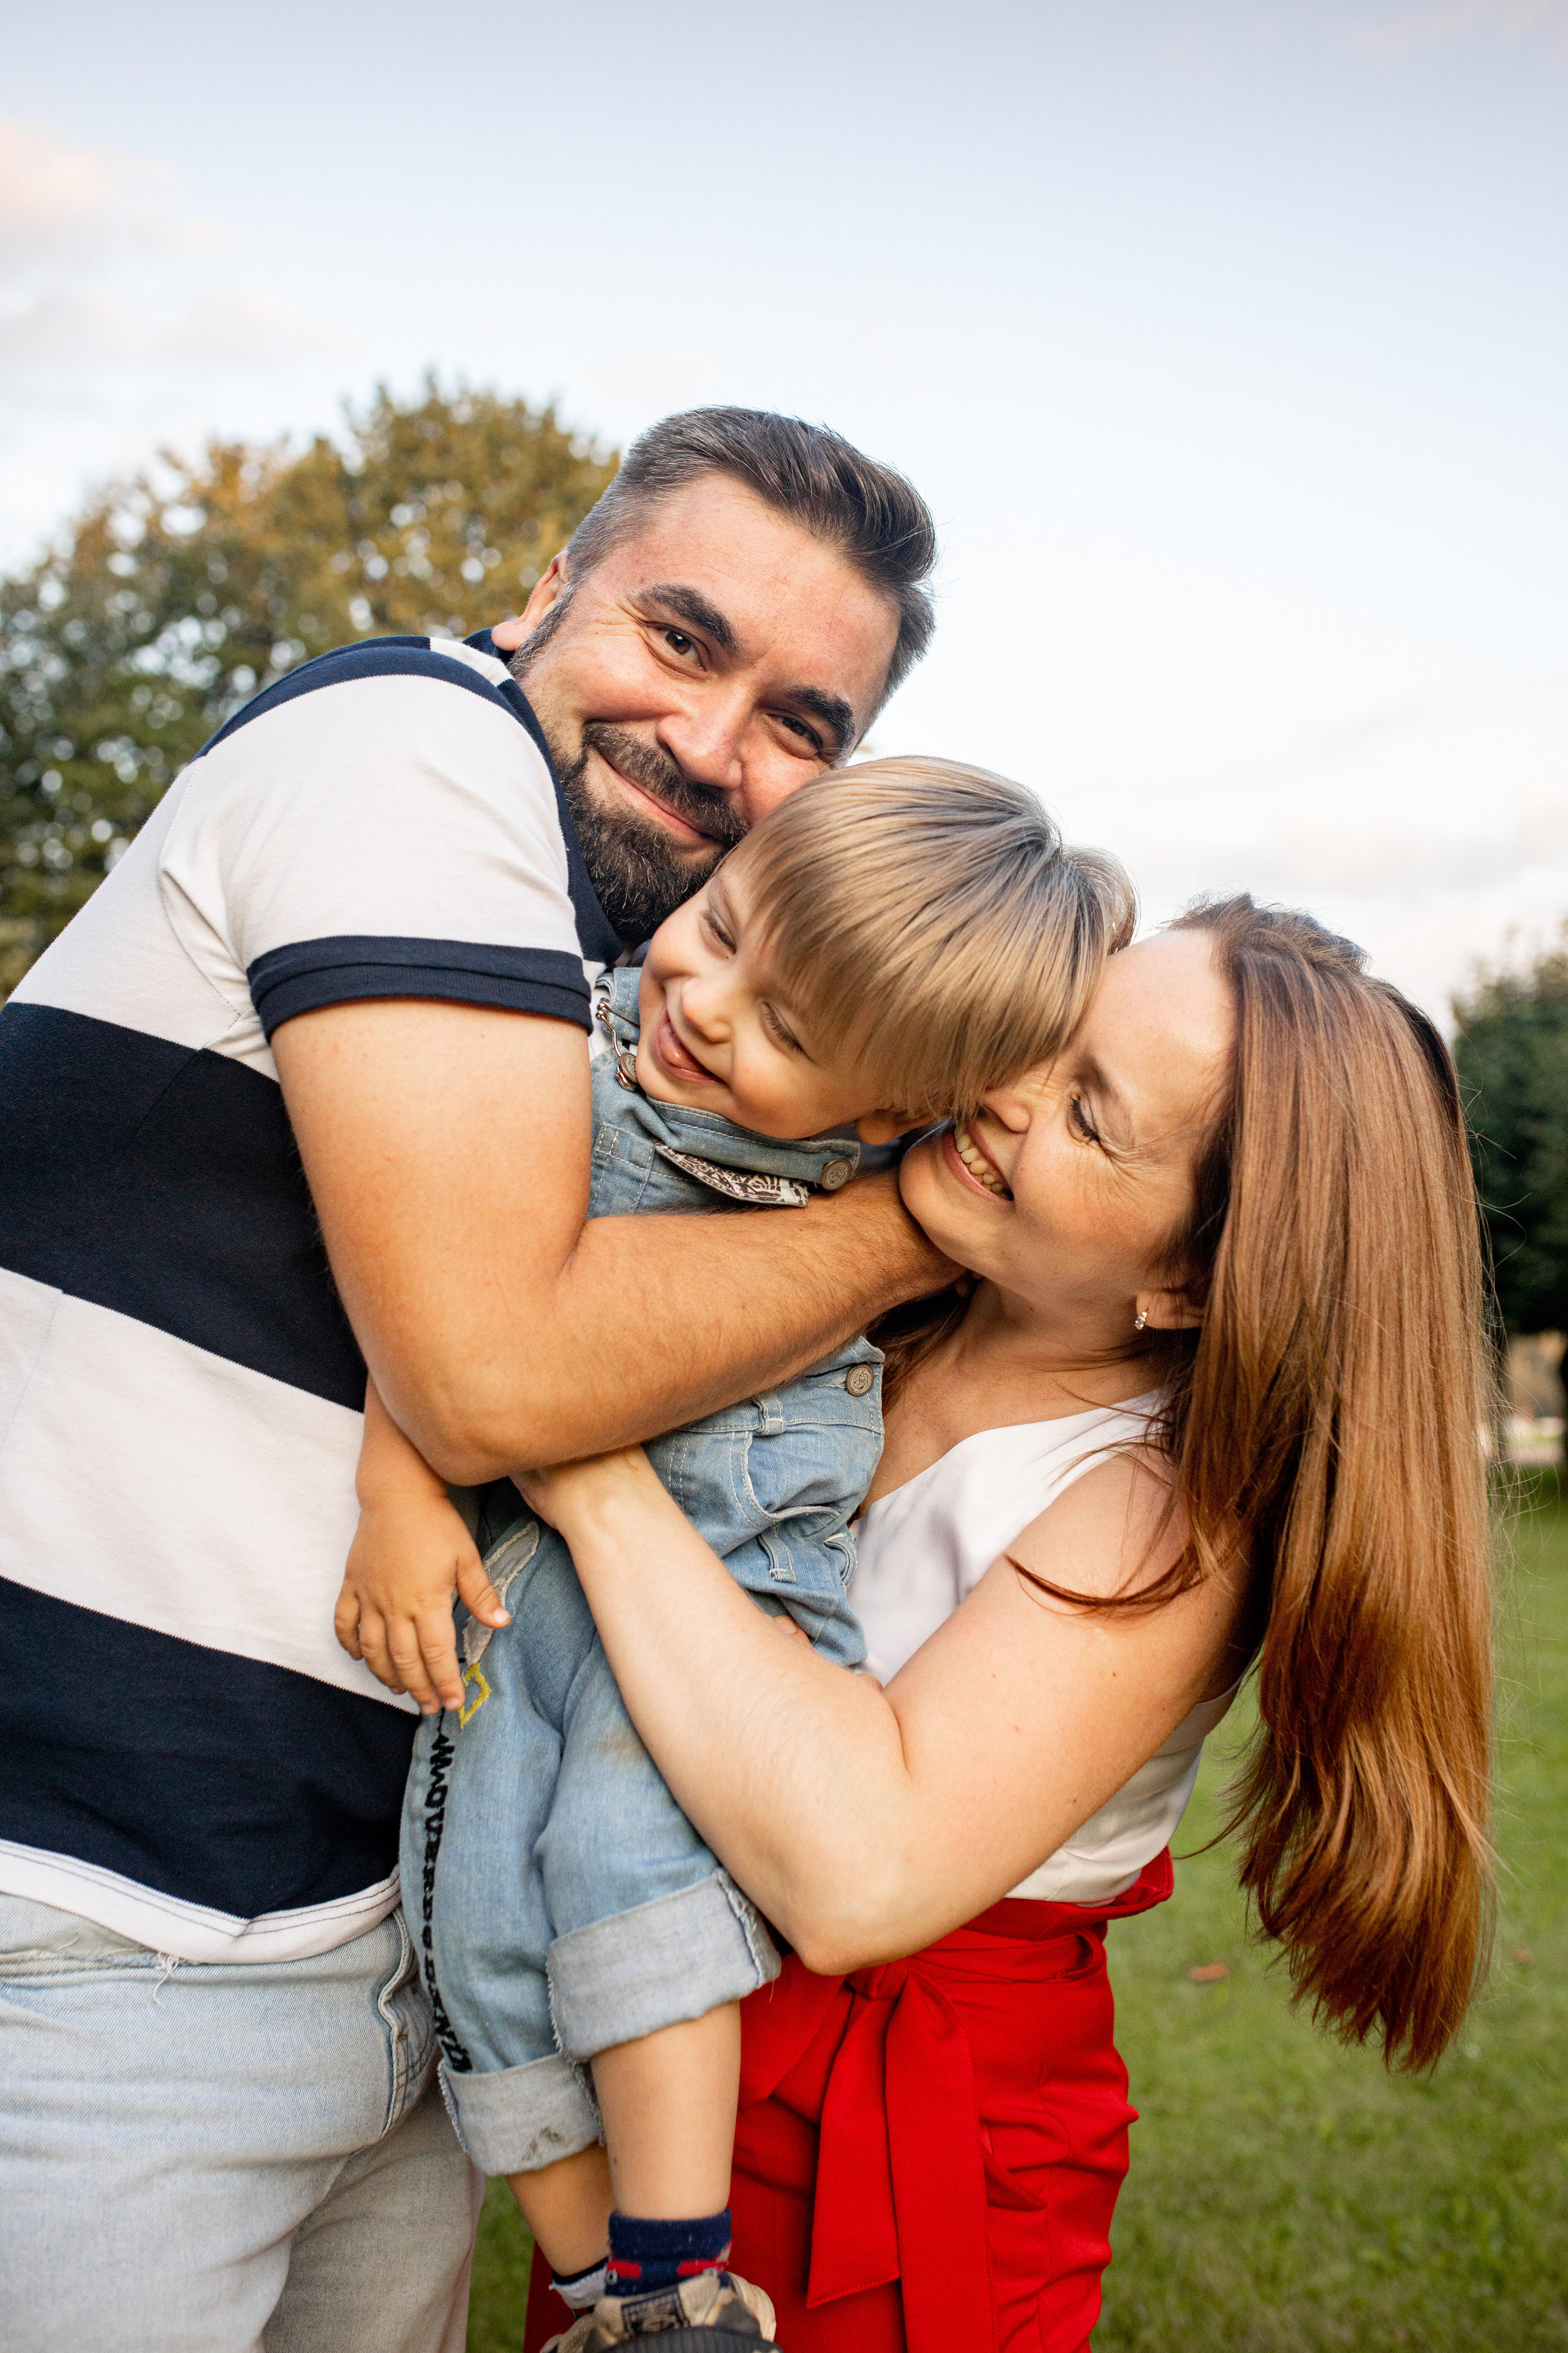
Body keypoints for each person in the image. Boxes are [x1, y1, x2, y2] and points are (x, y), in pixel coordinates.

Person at [0, 408, 954, 2353]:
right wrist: (942, 1219)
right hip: (105, 1946)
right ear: (543, 590)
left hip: (372, 1951)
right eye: (680, 641)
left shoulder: (589, 967)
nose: (714, 745)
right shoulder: (417, 751)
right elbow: (494, 1366)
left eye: (802, 721)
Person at [514, 897, 1496, 2353]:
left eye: (1090, 1120)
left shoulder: (1163, 1509)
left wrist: (574, 1443)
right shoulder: (867, 1279)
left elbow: (860, 1869)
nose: (1005, 1093)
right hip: (670, 2040)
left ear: (1190, 1281)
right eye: (1050, 1040)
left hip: (912, 2149)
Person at [339, 758, 1133, 2347]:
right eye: (723, 922)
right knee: (475, 1908)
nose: (709, 998)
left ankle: (680, 2276)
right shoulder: (573, 1047)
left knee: (628, 1870)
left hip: (719, 1588)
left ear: (901, 1116)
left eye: (792, 1031)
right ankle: (590, 2297)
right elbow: (441, 1302)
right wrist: (398, 1492)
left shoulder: (890, 1195)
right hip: (519, 1584)